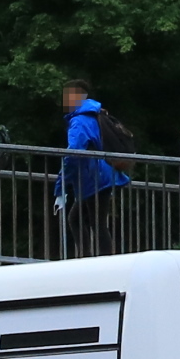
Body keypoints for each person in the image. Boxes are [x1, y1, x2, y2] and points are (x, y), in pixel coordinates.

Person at [56, 81, 130, 259]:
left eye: (67, 96)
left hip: (94, 177)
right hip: (100, 174)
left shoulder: (80, 120)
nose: (64, 100)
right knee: (85, 220)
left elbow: (73, 153)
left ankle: (97, 261)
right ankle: (91, 258)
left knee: (94, 222)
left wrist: (60, 185)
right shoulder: (94, 114)